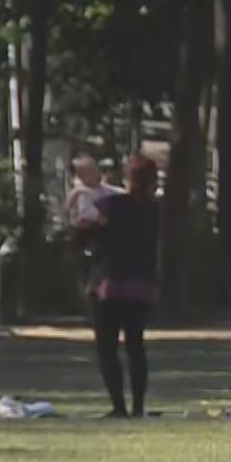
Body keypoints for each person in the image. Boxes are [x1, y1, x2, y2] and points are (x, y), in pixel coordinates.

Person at [87, 154, 160, 418]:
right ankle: (138, 405)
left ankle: (119, 406)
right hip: (141, 287)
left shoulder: (111, 205)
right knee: (135, 346)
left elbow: (88, 232)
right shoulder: (155, 211)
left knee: (107, 348)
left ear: (128, 178)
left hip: (109, 285)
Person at [64, 154, 121, 231]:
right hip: (87, 231)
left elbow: (110, 190)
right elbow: (86, 211)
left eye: (97, 169)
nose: (97, 173)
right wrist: (99, 217)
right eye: (92, 172)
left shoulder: (97, 187)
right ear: (82, 177)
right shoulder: (82, 192)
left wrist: (124, 192)